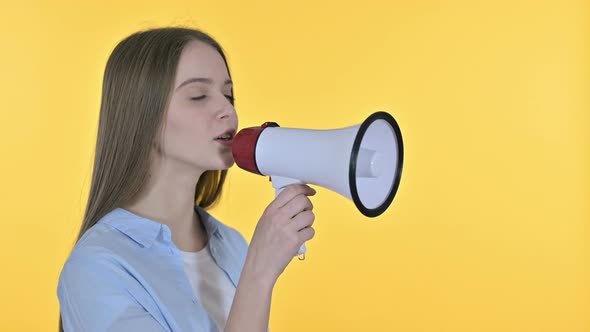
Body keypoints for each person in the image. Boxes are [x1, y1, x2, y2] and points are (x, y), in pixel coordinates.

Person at [57, 27, 317, 332]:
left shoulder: (231, 245)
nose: (227, 110)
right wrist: (259, 273)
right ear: (143, 117)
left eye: (228, 94)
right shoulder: (96, 269)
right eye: (198, 96)